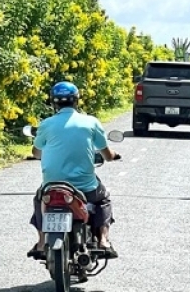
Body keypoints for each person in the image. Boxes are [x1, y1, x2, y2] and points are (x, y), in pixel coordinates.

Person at [27, 81, 120, 260]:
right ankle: (103, 240)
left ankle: (40, 242)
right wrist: (114, 155)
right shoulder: (91, 122)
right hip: (85, 187)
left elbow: (36, 153)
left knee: (39, 199)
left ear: (54, 103)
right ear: (76, 101)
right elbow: (107, 155)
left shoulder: (46, 124)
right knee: (104, 198)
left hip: (52, 185)